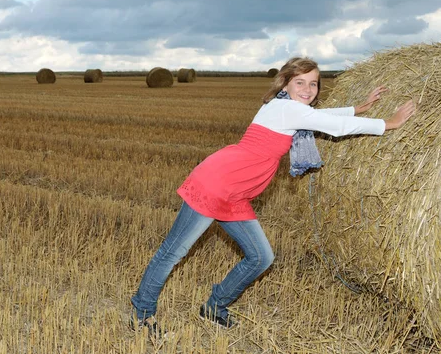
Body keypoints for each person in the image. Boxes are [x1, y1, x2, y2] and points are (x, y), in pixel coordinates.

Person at [130, 56, 416, 338]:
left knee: (260, 257)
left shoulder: (284, 106)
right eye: (300, 82)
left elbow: (321, 118)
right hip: (216, 184)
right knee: (172, 253)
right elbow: (333, 127)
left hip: (235, 193)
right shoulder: (286, 109)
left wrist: (358, 107)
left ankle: (214, 307)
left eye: (314, 84)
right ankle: (141, 316)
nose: (307, 89)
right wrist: (388, 123)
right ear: (286, 83)